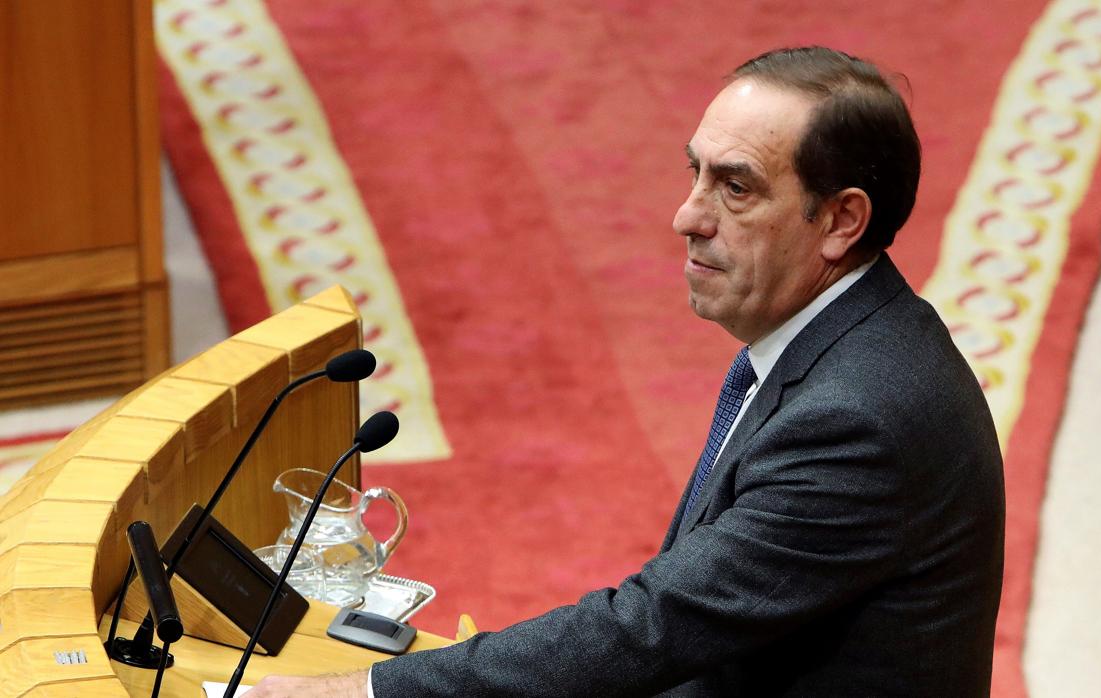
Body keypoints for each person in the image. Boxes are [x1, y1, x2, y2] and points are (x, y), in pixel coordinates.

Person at [251, 46, 1004, 698]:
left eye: (736, 188)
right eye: (696, 173)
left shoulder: (858, 421)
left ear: (841, 221)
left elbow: (651, 629)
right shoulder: (841, 340)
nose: (688, 217)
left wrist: (370, 692)